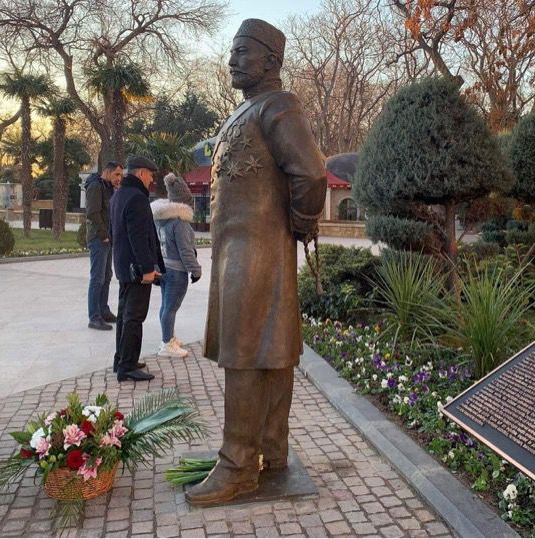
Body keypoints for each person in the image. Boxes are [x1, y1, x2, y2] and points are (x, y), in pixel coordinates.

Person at [186, 19, 327, 506]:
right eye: (232, 51)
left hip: (258, 251)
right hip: (239, 251)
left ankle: (239, 465)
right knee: (267, 347)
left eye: (242, 51)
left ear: (271, 60)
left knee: (249, 350)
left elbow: (312, 172)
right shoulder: (244, 110)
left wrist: (301, 221)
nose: (232, 60)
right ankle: (272, 450)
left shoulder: (278, 106)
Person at [110, 155, 164, 382]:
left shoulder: (118, 195)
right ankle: (127, 366)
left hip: (124, 266)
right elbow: (139, 237)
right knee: (134, 317)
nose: (151, 180)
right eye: (150, 175)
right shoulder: (137, 198)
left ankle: (121, 359)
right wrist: (147, 268)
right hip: (137, 270)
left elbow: (115, 233)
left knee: (124, 315)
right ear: (141, 173)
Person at [151, 173, 202, 359]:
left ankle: (168, 337)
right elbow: (186, 251)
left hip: (164, 267)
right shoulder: (180, 223)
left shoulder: (161, 219)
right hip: (177, 271)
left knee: (166, 306)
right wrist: (196, 270)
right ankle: (167, 344)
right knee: (171, 308)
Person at [85, 161, 123, 330]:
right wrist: (104, 235)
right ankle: (94, 317)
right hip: (98, 239)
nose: (119, 178)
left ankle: (103, 310)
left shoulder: (108, 187)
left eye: (121, 175)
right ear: (107, 172)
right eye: (117, 174)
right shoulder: (95, 186)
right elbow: (92, 213)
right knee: (97, 278)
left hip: (107, 238)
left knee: (107, 275)